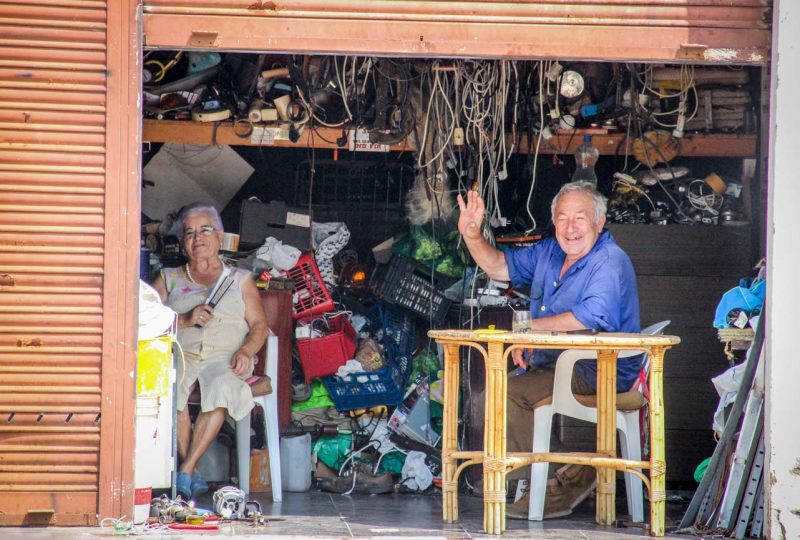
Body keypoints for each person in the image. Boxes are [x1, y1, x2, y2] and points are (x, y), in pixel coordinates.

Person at [456, 181, 640, 519]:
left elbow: (591, 315)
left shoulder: (609, 260)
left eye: (580, 218)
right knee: (493, 393)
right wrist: (472, 234)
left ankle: (550, 485)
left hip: (599, 370)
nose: (570, 228)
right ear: (554, 221)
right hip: (559, 364)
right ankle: (571, 473)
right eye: (562, 218)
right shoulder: (549, 252)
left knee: (506, 393)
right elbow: (499, 266)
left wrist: (527, 331)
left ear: (599, 223)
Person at [152, 203, 269, 500]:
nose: (198, 238)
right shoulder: (169, 278)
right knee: (171, 387)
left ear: (219, 237)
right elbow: (145, 321)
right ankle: (191, 473)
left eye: (205, 230)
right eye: (189, 233)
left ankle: (186, 469)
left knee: (220, 385)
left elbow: (259, 325)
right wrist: (186, 319)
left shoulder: (239, 279)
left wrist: (246, 351)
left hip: (225, 359)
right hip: (182, 356)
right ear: (182, 243)